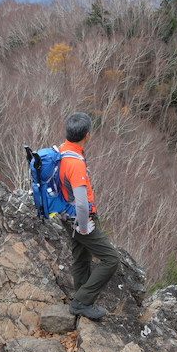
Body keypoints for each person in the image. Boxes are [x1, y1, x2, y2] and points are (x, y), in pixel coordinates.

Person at [59, 112, 119, 319]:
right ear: (87, 135)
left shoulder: (62, 151)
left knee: (81, 256)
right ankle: (81, 302)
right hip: (80, 218)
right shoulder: (75, 163)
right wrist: (84, 226)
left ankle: (82, 296)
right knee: (111, 259)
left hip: (66, 215)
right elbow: (82, 203)